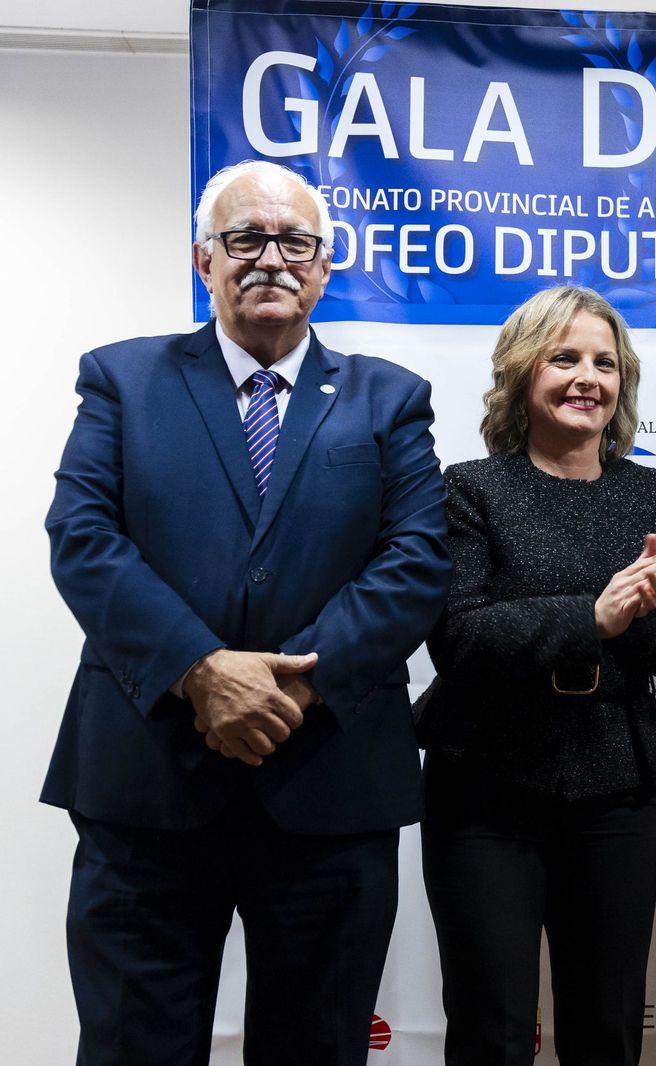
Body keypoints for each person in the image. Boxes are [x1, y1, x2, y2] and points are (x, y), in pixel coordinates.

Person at [43, 159, 451, 1064]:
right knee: (131, 1047)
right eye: (246, 239)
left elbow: (417, 562)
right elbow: (82, 537)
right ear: (204, 260)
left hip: (327, 784)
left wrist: (289, 689)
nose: (271, 258)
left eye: (294, 242)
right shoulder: (122, 380)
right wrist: (202, 670)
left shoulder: (391, 399)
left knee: (316, 1046)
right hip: (147, 780)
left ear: (323, 265)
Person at [416, 285, 656, 1066]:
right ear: (522, 373)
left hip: (615, 784)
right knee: (492, 1029)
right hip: (485, 785)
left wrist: (643, 612)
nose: (589, 378)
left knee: (606, 1029)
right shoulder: (470, 487)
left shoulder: (655, 494)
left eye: (605, 363)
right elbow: (458, 637)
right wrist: (595, 617)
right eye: (565, 357)